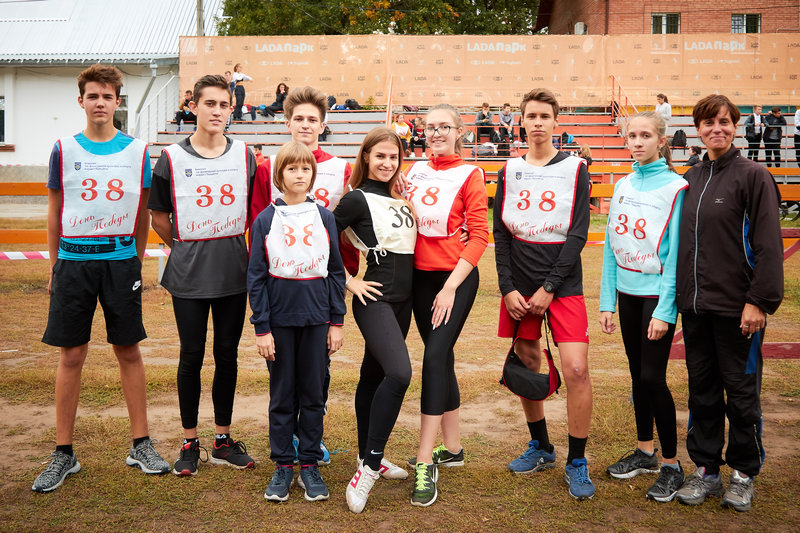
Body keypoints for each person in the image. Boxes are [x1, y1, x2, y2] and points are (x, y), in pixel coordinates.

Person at [33, 64, 169, 493]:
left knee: (127, 349)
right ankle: (63, 454)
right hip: (73, 263)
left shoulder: (138, 151)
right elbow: (55, 211)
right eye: (92, 95)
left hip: (119, 262)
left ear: (117, 102)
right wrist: (56, 265)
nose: (100, 103)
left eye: (107, 96)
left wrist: (136, 259)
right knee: (71, 354)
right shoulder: (62, 149)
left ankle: (140, 443)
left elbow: (144, 211)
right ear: (81, 101)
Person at [675, 94, 783, 512]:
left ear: (735, 126)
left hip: (740, 311)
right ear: (698, 128)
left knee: (740, 394)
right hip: (697, 308)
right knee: (702, 392)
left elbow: (768, 246)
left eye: (723, 121)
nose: (715, 128)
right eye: (707, 122)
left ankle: (743, 473)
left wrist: (758, 301)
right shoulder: (692, 176)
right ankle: (705, 469)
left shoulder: (754, 175)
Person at [149, 74, 257, 477]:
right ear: (193, 105)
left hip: (233, 271)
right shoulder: (171, 158)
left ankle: (223, 440)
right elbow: (159, 217)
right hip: (190, 274)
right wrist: (184, 247)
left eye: (223, 104)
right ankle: (190, 440)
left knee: (226, 354)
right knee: (191, 355)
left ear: (232, 109)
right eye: (208, 103)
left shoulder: (245, 154)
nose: (216, 111)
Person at [493, 88, 594, 500]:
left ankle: (577, 460)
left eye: (544, 116)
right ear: (522, 121)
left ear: (556, 122)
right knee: (527, 361)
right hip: (519, 282)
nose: (537, 123)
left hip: (562, 282)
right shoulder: (509, 169)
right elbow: (500, 232)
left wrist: (551, 286)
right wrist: (506, 287)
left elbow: (579, 233)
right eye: (530, 116)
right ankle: (541, 446)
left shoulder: (575, 168)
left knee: (575, 369)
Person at [249, 85, 357, 464]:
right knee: (284, 378)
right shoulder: (268, 168)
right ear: (287, 122)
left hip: (319, 293)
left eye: (313, 119)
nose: (306, 125)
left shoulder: (340, 167)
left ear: (323, 125)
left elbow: (352, 223)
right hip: (282, 294)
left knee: (317, 376)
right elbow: (262, 227)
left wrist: (347, 280)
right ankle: (287, 443)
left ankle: (309, 439)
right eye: (299, 119)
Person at [247, 141, 346, 502]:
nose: (299, 174)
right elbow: (256, 277)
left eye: (305, 169)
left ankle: (309, 464)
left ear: (312, 174)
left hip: (317, 319)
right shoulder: (266, 219)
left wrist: (337, 321)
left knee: (314, 394)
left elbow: (335, 272)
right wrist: (262, 328)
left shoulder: (324, 217)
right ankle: (283, 465)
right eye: (292, 169)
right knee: (283, 394)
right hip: (280, 322)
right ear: (280, 175)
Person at [599, 111, 688, 502]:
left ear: (661, 141)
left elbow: (676, 257)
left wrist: (666, 310)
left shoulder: (677, 188)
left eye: (645, 136)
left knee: (653, 379)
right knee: (638, 378)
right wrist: (607, 300)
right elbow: (610, 246)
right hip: (626, 295)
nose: (637, 142)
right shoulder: (622, 184)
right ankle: (645, 451)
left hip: (655, 298)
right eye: (631, 135)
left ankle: (672, 465)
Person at [404, 103, 489, 507]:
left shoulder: (471, 173)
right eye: (430, 128)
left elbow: (479, 237)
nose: (436, 133)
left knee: (434, 358)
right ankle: (452, 448)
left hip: (454, 279)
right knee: (443, 357)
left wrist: (451, 286)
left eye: (444, 127)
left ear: (459, 131)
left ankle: (425, 460)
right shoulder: (414, 171)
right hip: (418, 279)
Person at [334, 128, 416, 513]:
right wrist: (349, 281)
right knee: (399, 374)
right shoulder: (356, 198)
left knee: (373, 375)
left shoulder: (399, 197)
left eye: (393, 157)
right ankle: (367, 468)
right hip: (376, 300)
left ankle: (369, 455)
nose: (387, 163)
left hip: (405, 303)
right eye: (380, 156)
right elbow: (321, 235)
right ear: (366, 156)